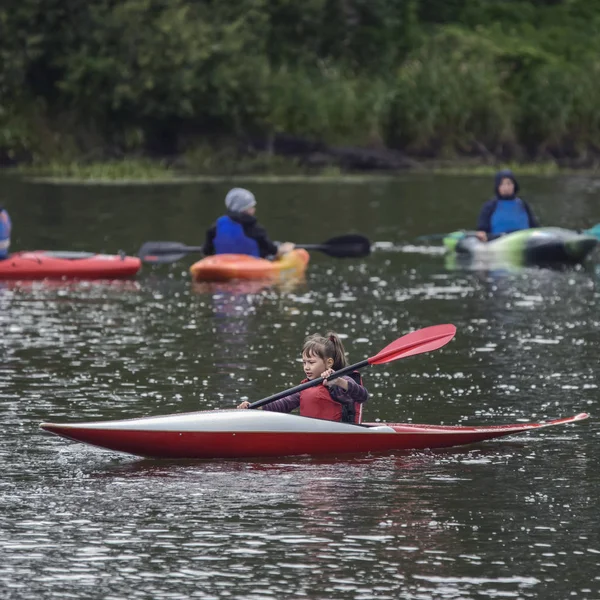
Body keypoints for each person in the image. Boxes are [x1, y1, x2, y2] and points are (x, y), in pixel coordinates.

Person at [237, 332, 368, 424]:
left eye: (311, 362)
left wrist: (338, 382)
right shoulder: (307, 386)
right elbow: (283, 404)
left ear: (329, 363)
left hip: (341, 434)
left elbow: (363, 396)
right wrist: (256, 407)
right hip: (314, 434)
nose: (306, 367)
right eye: (304, 362)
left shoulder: (342, 380)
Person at [202, 187, 294, 258]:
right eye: (251, 206)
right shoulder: (256, 229)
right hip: (251, 270)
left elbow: (206, 252)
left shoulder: (214, 228)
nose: (254, 209)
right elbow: (273, 251)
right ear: (246, 209)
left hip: (222, 267)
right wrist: (285, 248)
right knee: (276, 247)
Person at [476, 169, 539, 241]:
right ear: (498, 187)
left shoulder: (524, 205)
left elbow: (535, 227)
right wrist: (482, 235)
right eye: (502, 184)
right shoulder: (489, 206)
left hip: (525, 241)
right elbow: (482, 230)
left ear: (514, 185)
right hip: (499, 242)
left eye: (509, 184)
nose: (506, 188)